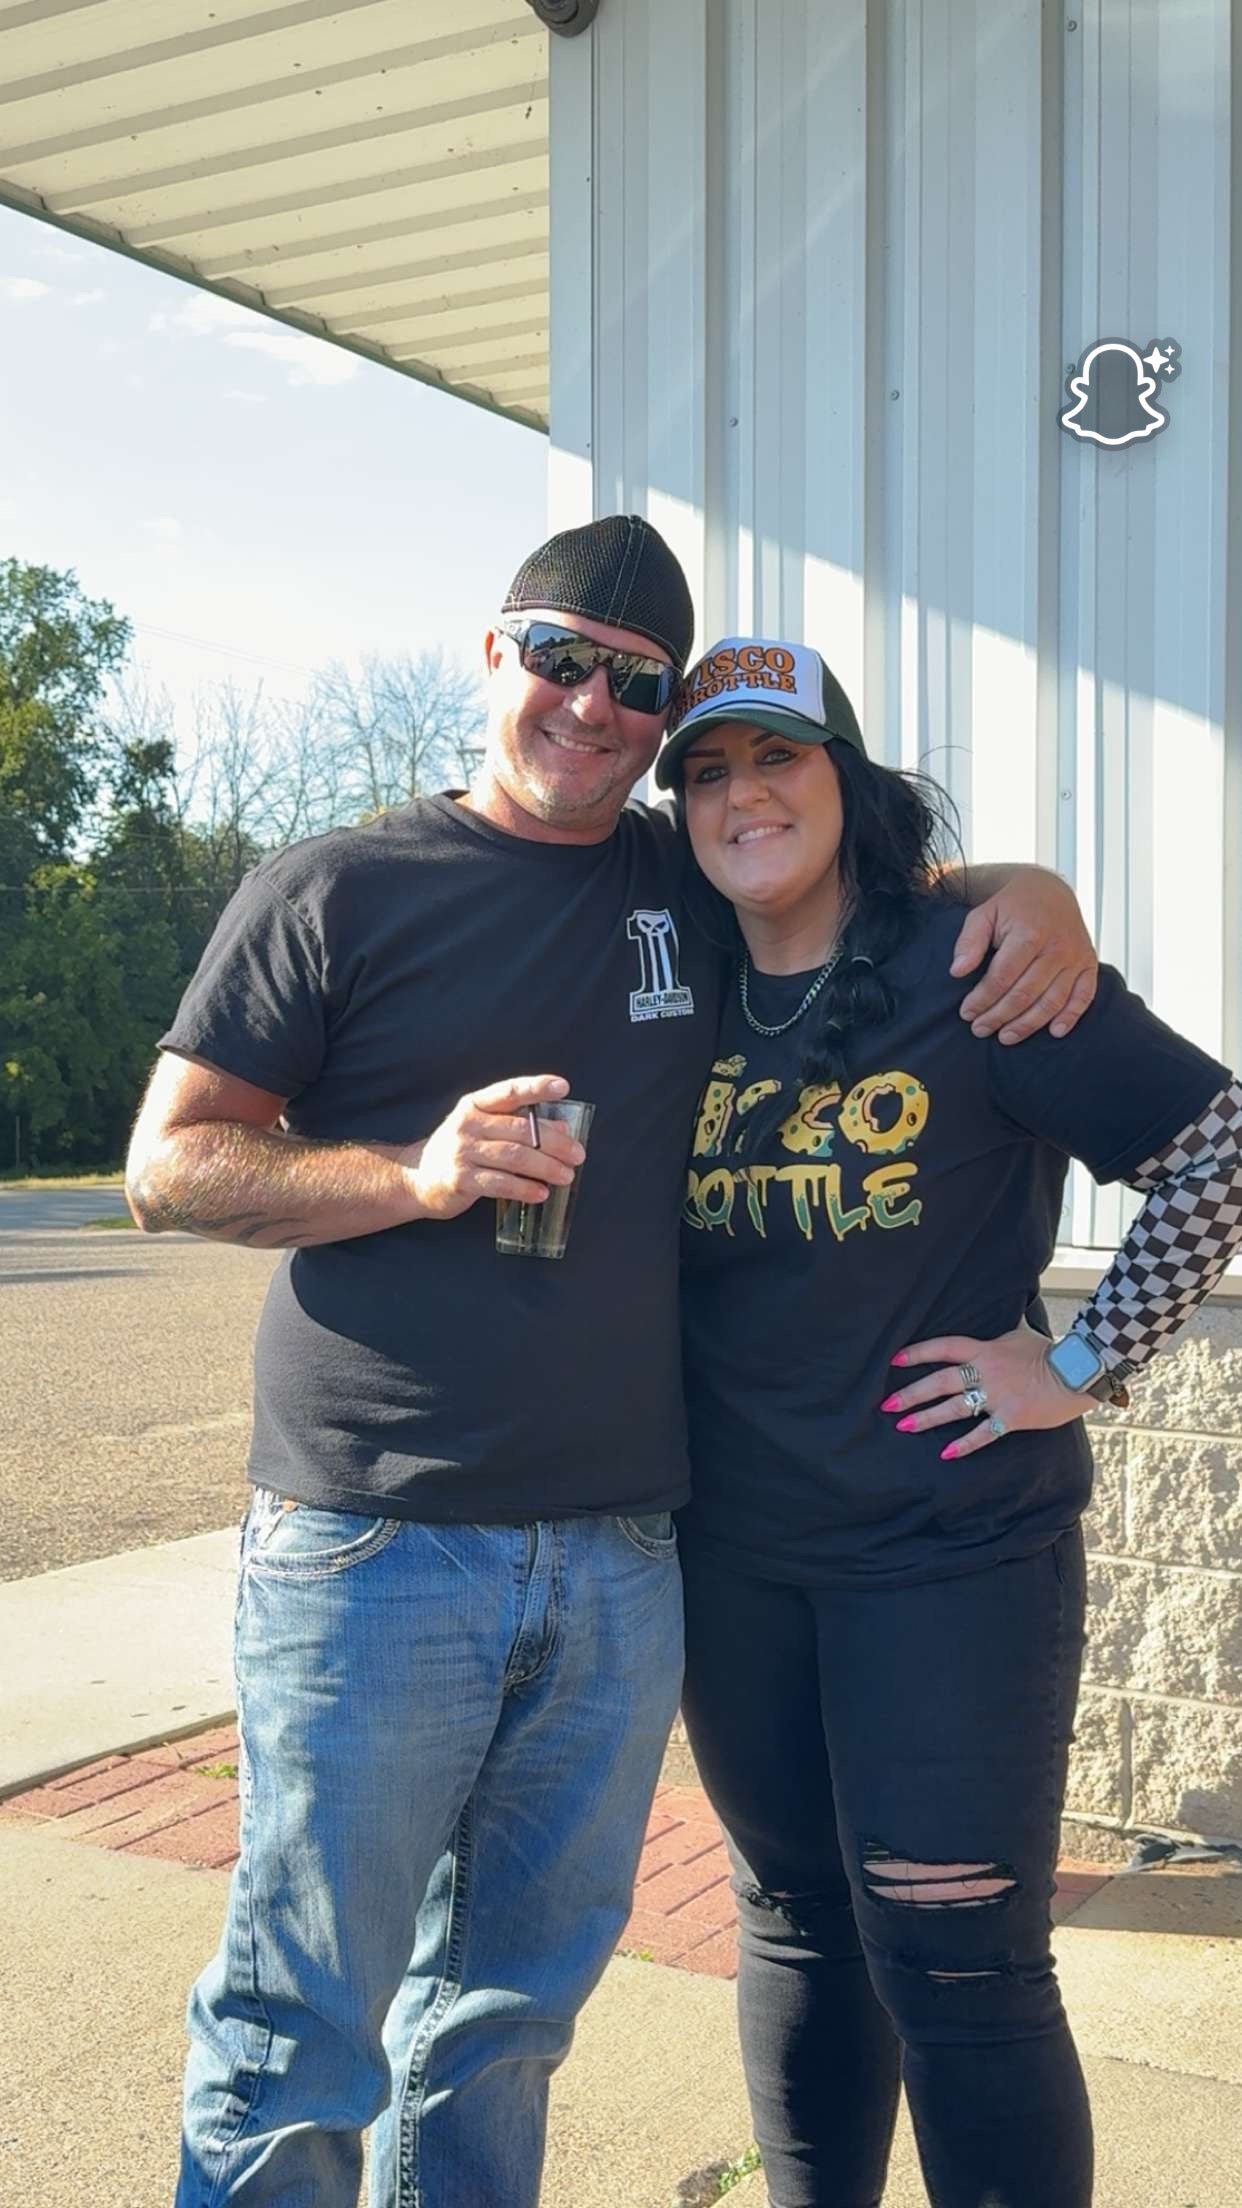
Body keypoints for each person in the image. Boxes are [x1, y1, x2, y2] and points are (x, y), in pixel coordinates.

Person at [125, 519, 1096, 2208]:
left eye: (636, 685)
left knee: (504, 2015)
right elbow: (168, 1168)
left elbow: (832, 855)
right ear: (491, 654)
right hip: (376, 1541)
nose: (591, 703)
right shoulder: (337, 887)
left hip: (626, 1549)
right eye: (560, 657)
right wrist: (412, 1176)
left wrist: (1032, 894)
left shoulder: (681, 881)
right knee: (302, 2021)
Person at [655, 636, 1242, 2208]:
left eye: (777, 757)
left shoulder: (976, 967)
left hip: (945, 1560)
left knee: (958, 1963)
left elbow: (1219, 1148)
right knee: (794, 1927)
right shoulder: (677, 984)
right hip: (734, 1561)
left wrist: (1079, 1359)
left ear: (843, 781)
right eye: (705, 771)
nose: (742, 795)